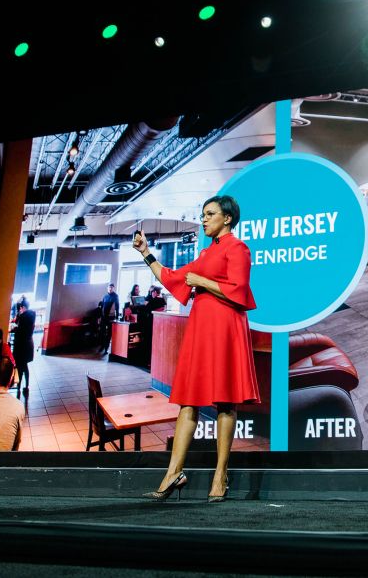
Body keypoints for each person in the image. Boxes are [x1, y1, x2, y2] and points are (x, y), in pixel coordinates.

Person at [135, 195, 259, 503]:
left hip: (226, 327)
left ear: (227, 218)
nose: (203, 219)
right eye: (202, 214)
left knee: (226, 401)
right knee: (188, 401)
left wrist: (202, 280)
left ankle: (221, 474)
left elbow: (240, 291)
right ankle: (172, 472)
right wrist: (147, 254)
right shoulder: (206, 253)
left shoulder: (238, 249)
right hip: (202, 329)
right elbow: (174, 278)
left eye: (209, 214)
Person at [12, 301, 36, 398]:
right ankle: (25, 386)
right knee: (24, 366)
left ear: (22, 307)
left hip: (21, 345)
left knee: (20, 366)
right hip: (28, 344)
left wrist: (14, 329)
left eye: (19, 309)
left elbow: (20, 330)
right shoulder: (31, 315)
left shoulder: (23, 317)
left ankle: (19, 386)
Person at [99, 283, 120, 353]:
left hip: (111, 317)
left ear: (113, 288)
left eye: (111, 287)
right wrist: (100, 317)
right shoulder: (105, 296)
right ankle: (102, 346)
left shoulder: (115, 296)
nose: (110, 289)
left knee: (109, 333)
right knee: (102, 332)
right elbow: (102, 307)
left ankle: (106, 348)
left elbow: (117, 307)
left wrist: (117, 317)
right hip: (103, 317)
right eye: (109, 287)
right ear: (107, 288)